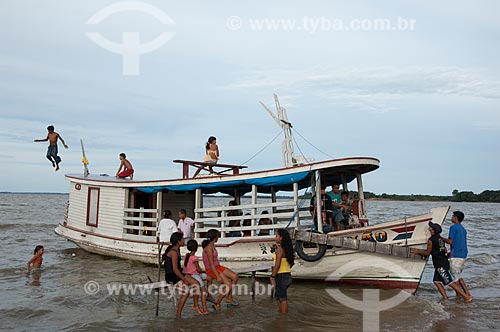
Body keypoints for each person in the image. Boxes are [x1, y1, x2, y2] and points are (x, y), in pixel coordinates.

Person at [411, 222, 472, 302]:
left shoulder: (431, 240)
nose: (429, 228)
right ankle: (445, 298)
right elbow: (445, 250)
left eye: (431, 227)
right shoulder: (440, 240)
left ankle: (466, 297)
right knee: (436, 281)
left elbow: (427, 253)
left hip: (440, 264)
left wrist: (417, 251)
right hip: (443, 262)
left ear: (432, 230)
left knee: (449, 282)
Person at [162, 232, 200, 317]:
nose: (184, 241)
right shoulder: (174, 252)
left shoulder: (177, 250)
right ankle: (178, 314)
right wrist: (184, 279)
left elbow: (177, 269)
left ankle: (195, 305)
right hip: (172, 276)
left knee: (196, 284)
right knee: (186, 291)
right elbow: (174, 269)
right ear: (178, 241)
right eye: (182, 239)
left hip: (178, 272)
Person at [202, 229, 240, 309]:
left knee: (235, 277)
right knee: (228, 284)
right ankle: (217, 303)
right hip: (212, 269)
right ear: (215, 237)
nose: (218, 237)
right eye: (218, 236)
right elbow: (211, 264)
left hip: (217, 266)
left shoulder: (212, 245)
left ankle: (229, 298)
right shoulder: (208, 247)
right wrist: (217, 276)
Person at [441, 211, 472, 298]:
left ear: (455, 218)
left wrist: (439, 237)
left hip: (457, 255)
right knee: (457, 275)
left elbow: (450, 241)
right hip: (462, 254)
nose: (451, 218)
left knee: (453, 277)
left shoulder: (453, 227)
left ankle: (463, 295)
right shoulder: (463, 229)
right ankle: (464, 293)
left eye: (452, 216)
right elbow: (459, 242)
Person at [270, 229, 294, 314]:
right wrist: (274, 250)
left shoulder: (280, 250)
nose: (275, 237)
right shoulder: (287, 249)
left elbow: (277, 264)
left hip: (281, 276)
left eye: (277, 236)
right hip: (287, 275)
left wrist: (272, 276)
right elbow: (290, 263)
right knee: (278, 296)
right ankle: (281, 315)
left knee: (282, 298)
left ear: (281, 238)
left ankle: (284, 317)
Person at [183, 240, 209, 315]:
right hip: (195, 274)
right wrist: (202, 271)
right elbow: (198, 269)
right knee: (203, 290)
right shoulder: (194, 258)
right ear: (196, 248)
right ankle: (205, 308)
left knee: (207, 279)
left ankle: (204, 306)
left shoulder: (186, 256)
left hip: (188, 274)